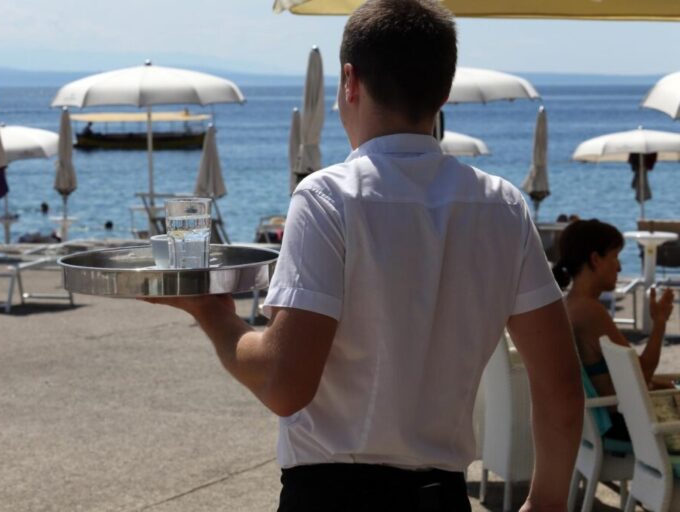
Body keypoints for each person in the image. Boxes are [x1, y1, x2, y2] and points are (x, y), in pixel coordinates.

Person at [146, 1, 582, 510]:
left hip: (332, 497)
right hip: (441, 497)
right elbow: (560, 385)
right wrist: (547, 501)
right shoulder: (502, 205)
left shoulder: (328, 197)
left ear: (349, 82)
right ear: (444, 91)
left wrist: (213, 314)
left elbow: (284, 383)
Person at [552, 219, 674, 439]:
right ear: (595, 259)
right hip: (621, 425)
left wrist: (655, 384)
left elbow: (613, 376)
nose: (619, 267)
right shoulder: (590, 311)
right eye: (615, 257)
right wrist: (660, 322)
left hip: (594, 424)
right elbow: (641, 373)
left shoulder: (569, 305)